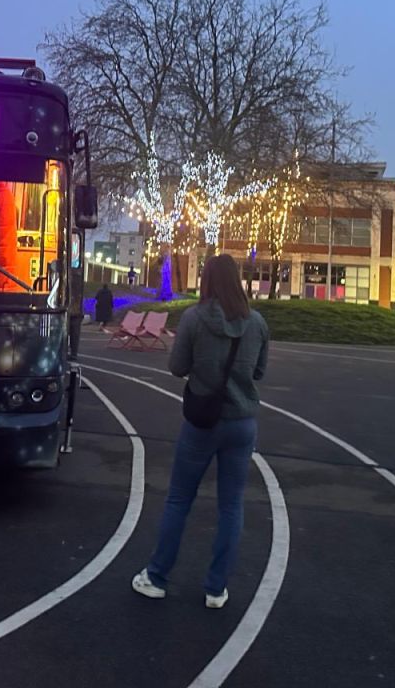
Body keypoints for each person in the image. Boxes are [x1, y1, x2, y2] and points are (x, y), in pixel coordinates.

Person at [132, 253, 269, 609]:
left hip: (203, 422)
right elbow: (259, 371)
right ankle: (216, 588)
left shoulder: (194, 318)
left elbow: (177, 366)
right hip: (241, 422)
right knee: (231, 505)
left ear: (207, 280)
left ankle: (157, 577)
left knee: (179, 498)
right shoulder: (256, 323)